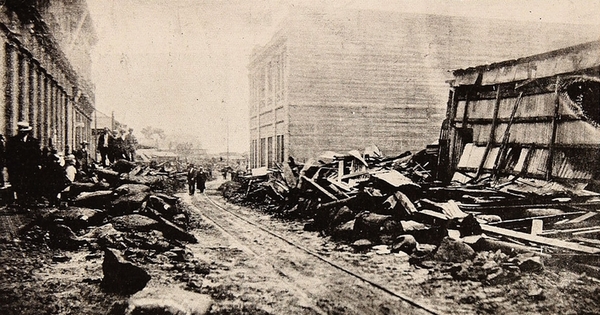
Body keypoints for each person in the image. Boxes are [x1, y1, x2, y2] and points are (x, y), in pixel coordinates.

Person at [6, 122, 42, 205]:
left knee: (29, 185)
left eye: (24, 131)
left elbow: (38, 155)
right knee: (18, 186)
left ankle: (27, 202)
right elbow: (8, 155)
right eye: (21, 131)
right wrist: (10, 167)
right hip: (17, 169)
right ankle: (21, 203)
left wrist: (38, 165)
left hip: (30, 169)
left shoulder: (34, 142)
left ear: (28, 132)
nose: (22, 133)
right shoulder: (12, 141)